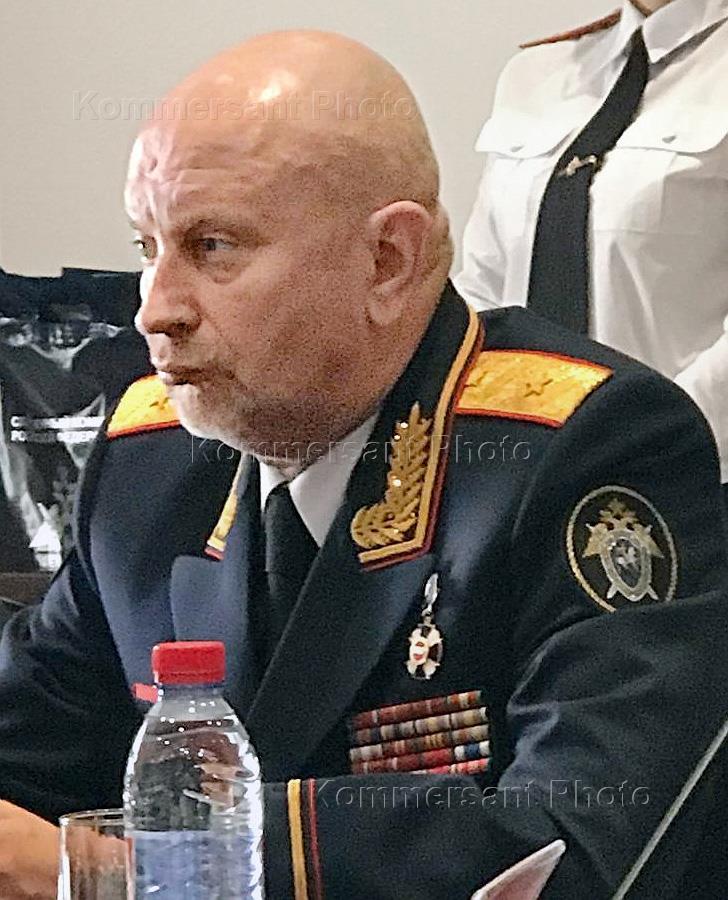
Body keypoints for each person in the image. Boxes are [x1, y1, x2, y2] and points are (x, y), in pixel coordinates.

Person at [0, 29, 726, 900]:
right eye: (146, 249)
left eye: (213, 247)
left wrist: (128, 872)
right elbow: (31, 740)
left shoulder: (588, 448)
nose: (154, 312)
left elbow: (570, 848)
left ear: (388, 261)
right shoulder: (149, 461)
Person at [455, 0, 728, 499]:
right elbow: (483, 289)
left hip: (692, 482)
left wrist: (653, 435)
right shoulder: (537, 73)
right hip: (520, 480)